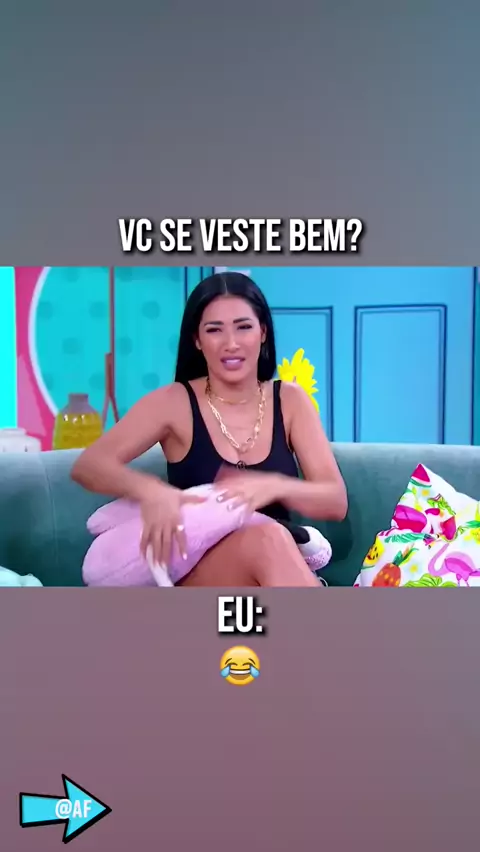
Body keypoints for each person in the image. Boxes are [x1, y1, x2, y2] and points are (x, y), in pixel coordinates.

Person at [71, 272, 347, 586]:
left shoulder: (290, 400)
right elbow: (89, 465)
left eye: (244, 327)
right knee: (268, 539)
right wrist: (152, 491)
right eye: (214, 330)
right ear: (197, 340)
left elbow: (335, 501)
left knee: (272, 538)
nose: (231, 344)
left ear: (263, 332)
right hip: (196, 571)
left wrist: (273, 486)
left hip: (276, 568)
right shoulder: (173, 402)